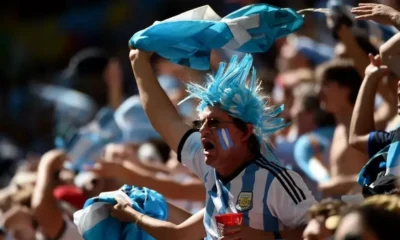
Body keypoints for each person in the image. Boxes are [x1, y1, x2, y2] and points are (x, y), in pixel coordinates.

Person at [118, 49, 316, 240]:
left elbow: (318, 228)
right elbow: (165, 119)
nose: (203, 130)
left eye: (214, 123)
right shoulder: (210, 165)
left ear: (246, 132)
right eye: (201, 123)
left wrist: (262, 236)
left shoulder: (274, 179)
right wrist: (139, 63)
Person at [316, 59, 367, 197]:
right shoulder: (339, 129)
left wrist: (338, 184)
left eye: (325, 84)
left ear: (346, 89)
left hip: (361, 212)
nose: (318, 91)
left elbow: (380, 175)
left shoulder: (364, 127)